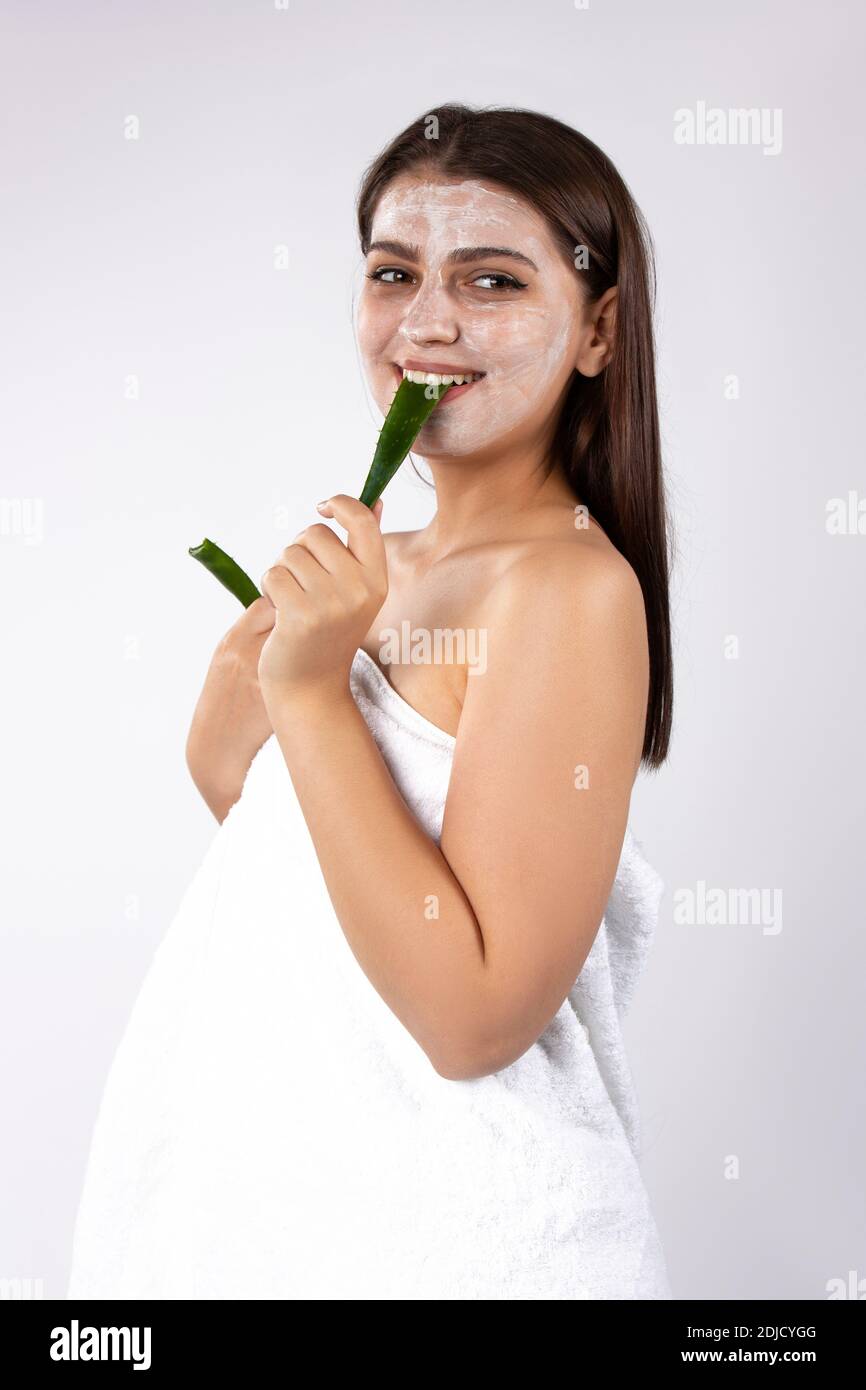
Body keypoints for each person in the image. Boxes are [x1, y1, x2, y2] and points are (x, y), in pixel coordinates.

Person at [68, 102, 675, 1300]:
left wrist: (308, 692)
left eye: (491, 280)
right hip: (291, 1228)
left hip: (459, 1252)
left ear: (597, 329)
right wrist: (230, 730)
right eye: (393, 273)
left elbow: (472, 1018)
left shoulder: (566, 587)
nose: (427, 321)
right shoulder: (378, 566)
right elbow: (310, 871)